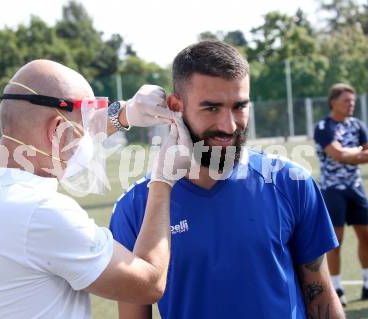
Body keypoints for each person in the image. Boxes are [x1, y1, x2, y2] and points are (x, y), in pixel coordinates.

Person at [0, 59, 193, 319]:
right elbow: (148, 284)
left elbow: (49, 124)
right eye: (83, 125)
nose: (87, 139)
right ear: (57, 130)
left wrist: (125, 112)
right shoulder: (40, 213)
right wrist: (163, 180)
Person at [110, 40, 344, 319]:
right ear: (175, 106)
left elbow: (322, 300)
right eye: (212, 108)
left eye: (239, 107)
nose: (229, 125)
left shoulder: (291, 182)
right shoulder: (135, 206)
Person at [314, 83, 368, 306]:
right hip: (333, 189)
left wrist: (349, 154)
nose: (351, 104)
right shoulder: (323, 126)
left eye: (353, 101)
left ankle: (367, 283)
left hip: (356, 188)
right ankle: (336, 287)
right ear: (333, 102)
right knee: (335, 242)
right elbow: (337, 154)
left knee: (366, 235)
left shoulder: (358, 125)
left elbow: (356, 153)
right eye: (346, 101)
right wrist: (355, 153)